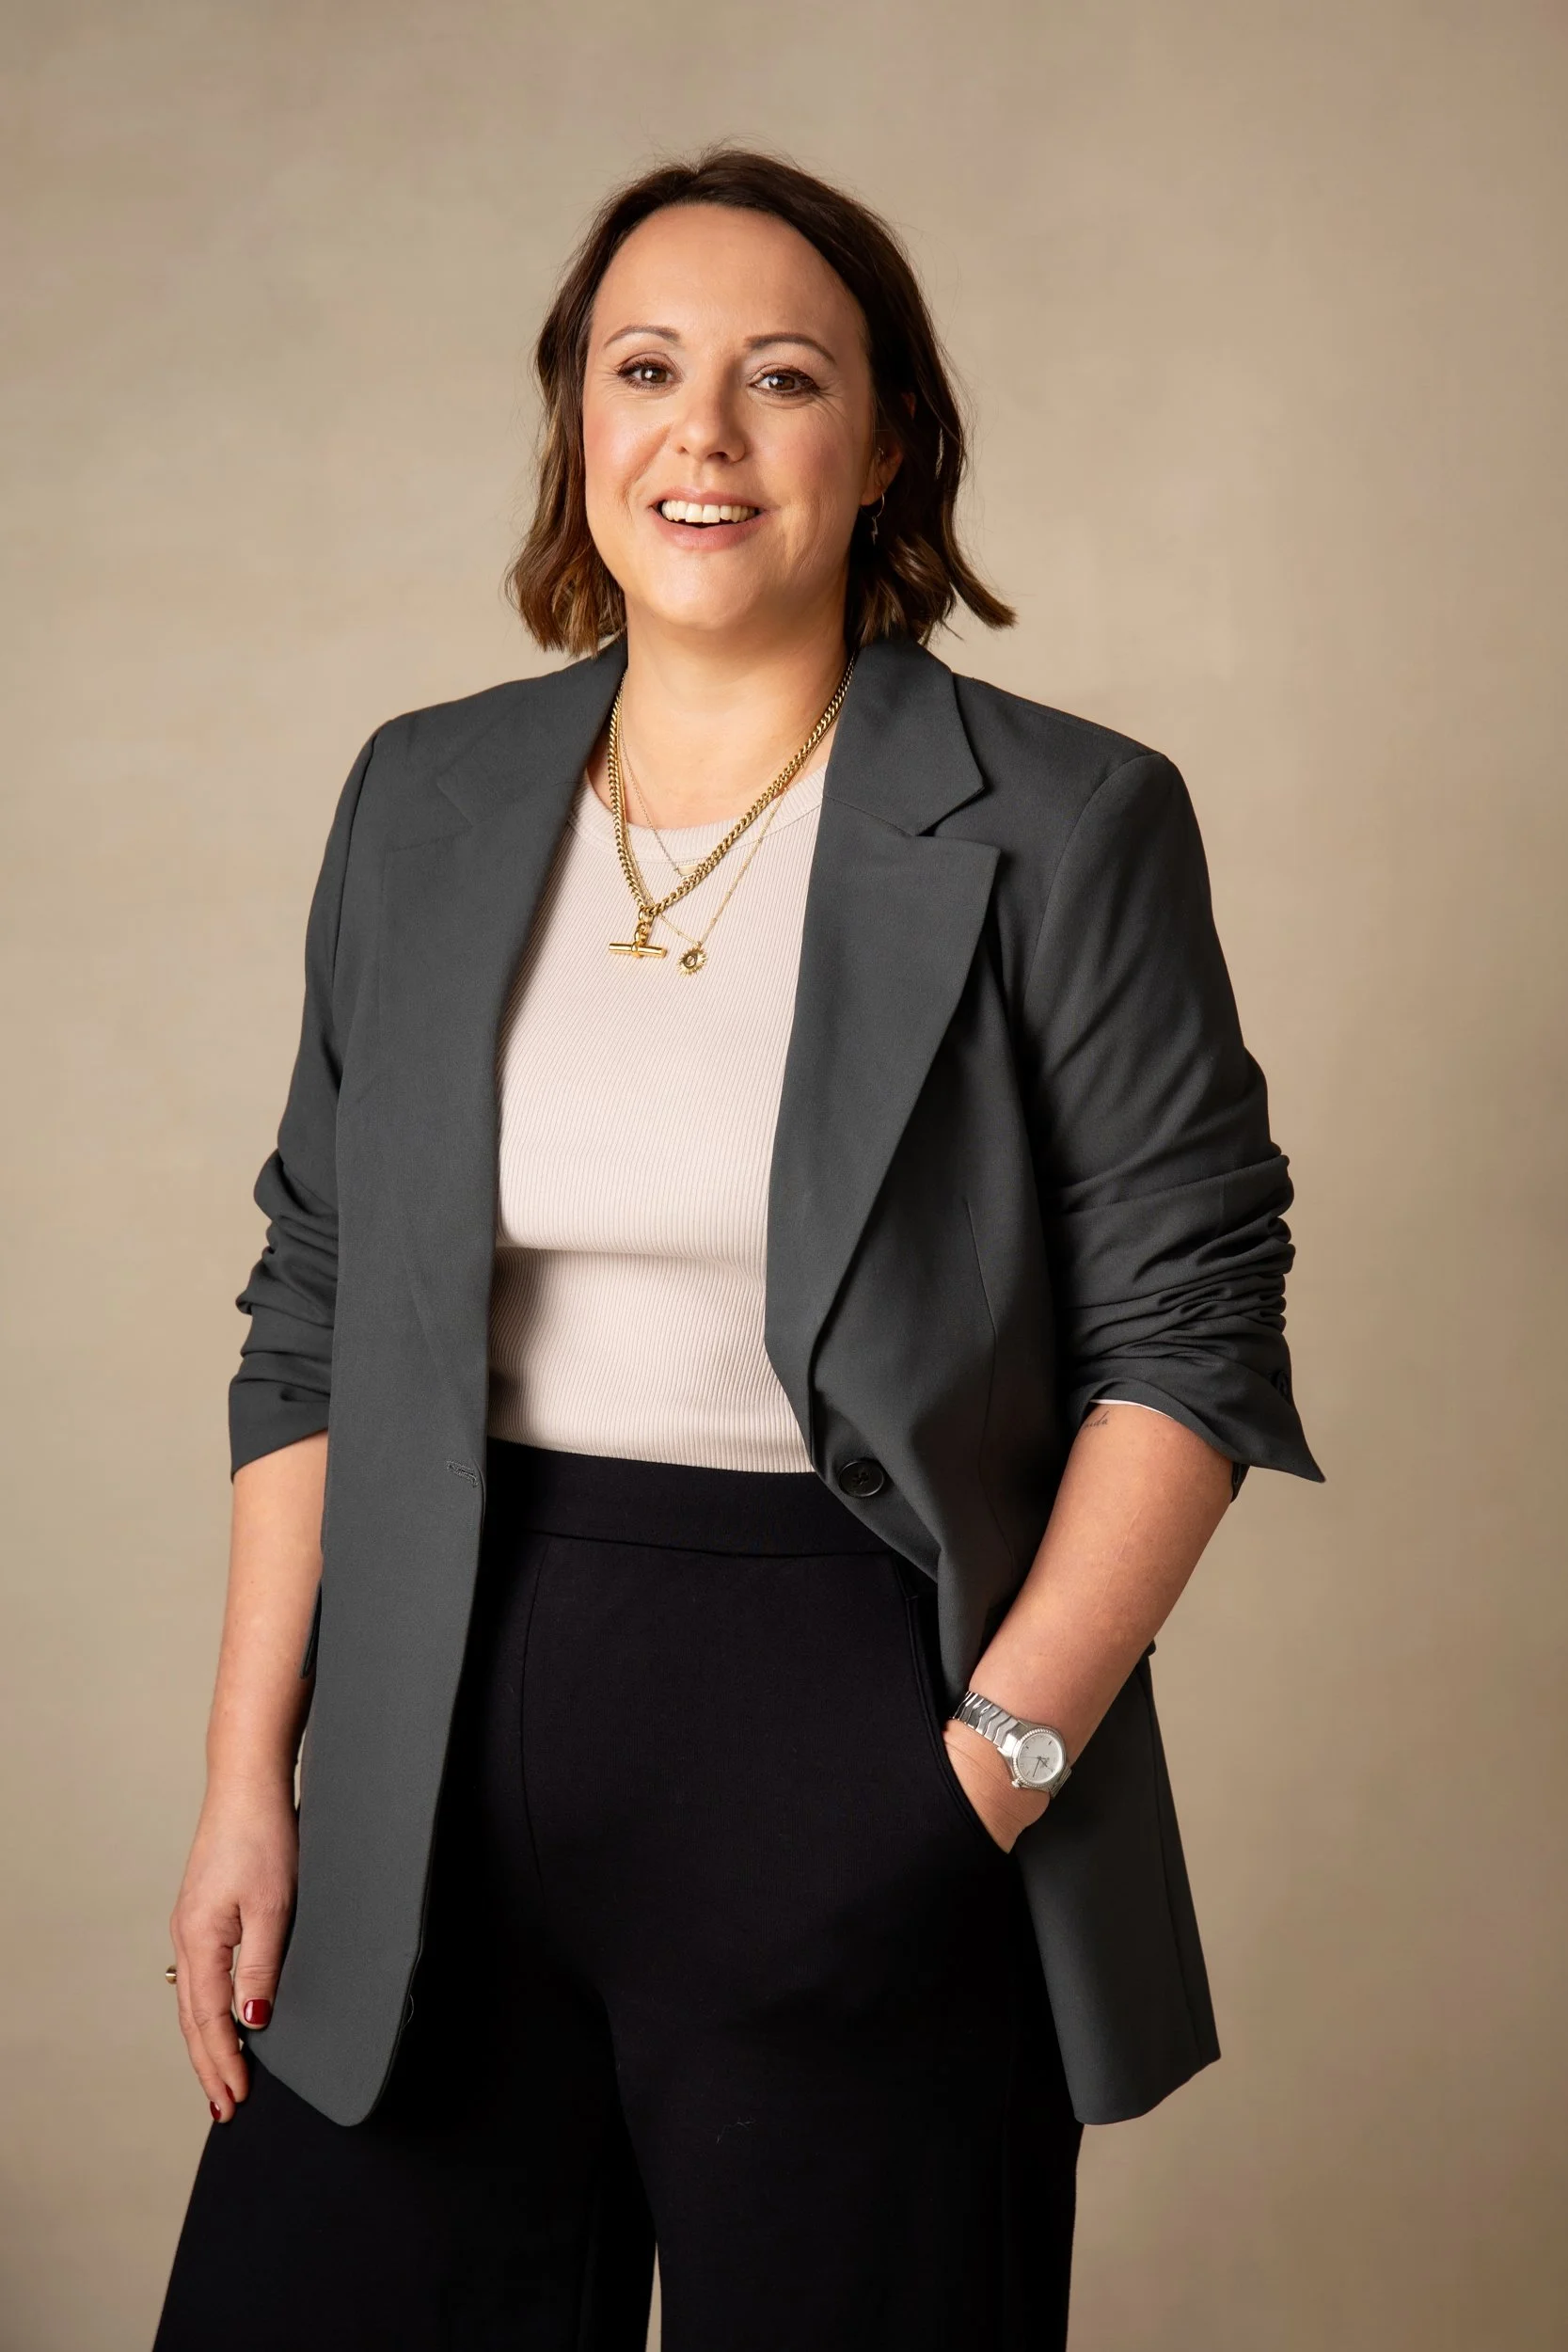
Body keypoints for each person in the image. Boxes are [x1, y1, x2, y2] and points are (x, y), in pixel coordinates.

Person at [153, 146, 1322, 2351]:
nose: (700, 433)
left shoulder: (1065, 823)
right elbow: (312, 1303)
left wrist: (978, 1776)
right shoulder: (420, 796)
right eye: (643, 369)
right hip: (427, 1750)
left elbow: (1188, 1330)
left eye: (780, 379)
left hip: (851, 1744)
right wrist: (249, 1786)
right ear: (576, 425)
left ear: (881, 446)